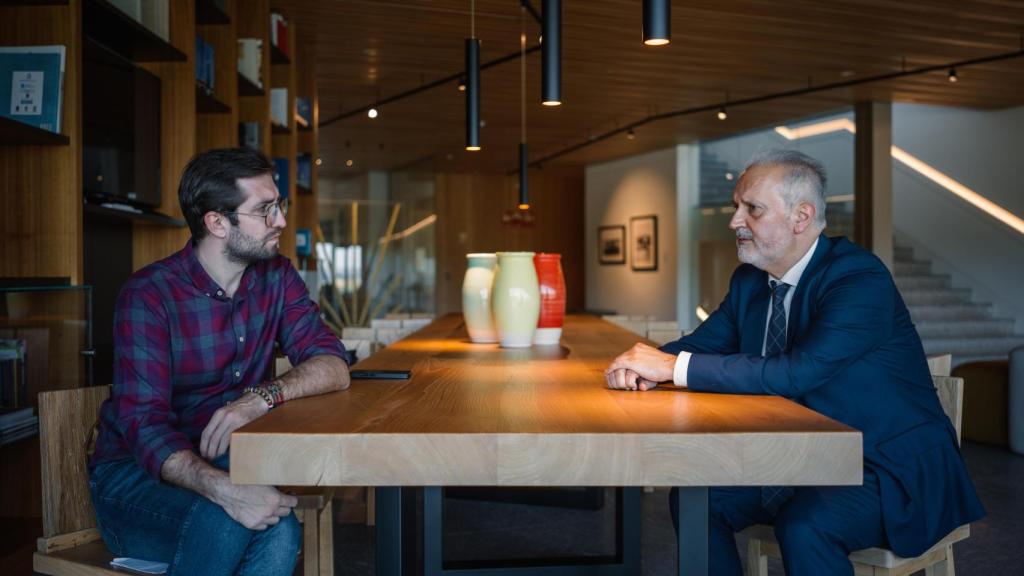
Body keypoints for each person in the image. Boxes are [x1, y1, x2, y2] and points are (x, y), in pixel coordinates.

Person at [605, 150, 985, 575]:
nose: (734, 221)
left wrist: (670, 368)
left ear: (801, 217)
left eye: (752, 209)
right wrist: (643, 365)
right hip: (801, 457)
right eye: (736, 207)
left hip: (887, 467)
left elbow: (798, 371)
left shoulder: (859, 278)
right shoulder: (749, 280)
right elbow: (702, 345)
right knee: (699, 499)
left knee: (806, 525)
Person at [88, 148, 351, 576]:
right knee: (262, 524)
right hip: (136, 479)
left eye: (279, 205)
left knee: (267, 523)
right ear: (217, 223)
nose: (280, 221)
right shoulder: (150, 295)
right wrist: (227, 490)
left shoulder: (276, 277)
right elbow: (144, 426)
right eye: (264, 210)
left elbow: (333, 363)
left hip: (233, 461)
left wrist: (259, 399)